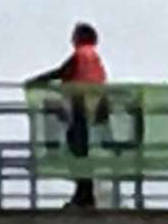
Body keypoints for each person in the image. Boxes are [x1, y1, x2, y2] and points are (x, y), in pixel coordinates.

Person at [26, 21, 109, 209]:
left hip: (80, 108)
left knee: (78, 153)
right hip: (90, 110)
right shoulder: (95, 58)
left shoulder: (81, 55)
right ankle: (84, 195)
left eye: (75, 35)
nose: (72, 39)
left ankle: (84, 196)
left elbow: (62, 71)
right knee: (83, 154)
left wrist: (35, 81)